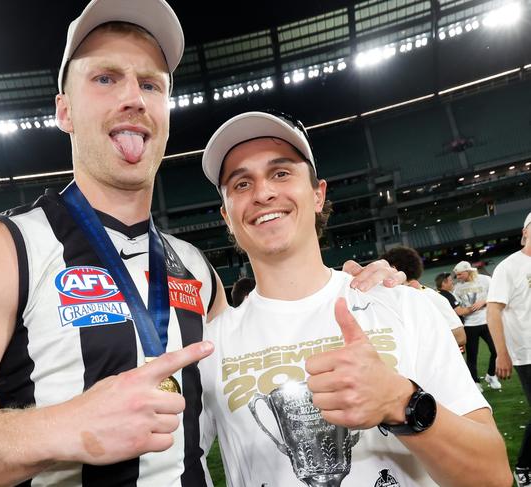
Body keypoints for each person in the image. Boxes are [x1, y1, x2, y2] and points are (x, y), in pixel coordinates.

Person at [0, 2, 402, 485]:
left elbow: (267, 343)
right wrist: (64, 428)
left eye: (151, 85)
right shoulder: (6, 246)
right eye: (106, 78)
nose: (133, 97)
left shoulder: (196, 268)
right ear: (64, 111)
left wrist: (358, 287)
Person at [198, 111, 511, 487]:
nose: (263, 193)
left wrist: (400, 402)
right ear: (226, 216)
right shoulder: (210, 347)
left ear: (318, 194)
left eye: (281, 173)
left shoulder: (402, 307)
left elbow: (492, 476)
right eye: (241, 184)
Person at [487, 212, 531, 487]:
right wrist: (501, 353)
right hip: (527, 352)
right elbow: (493, 311)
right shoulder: (509, 267)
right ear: (527, 231)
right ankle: (525, 466)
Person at [382, 246, 466, 347]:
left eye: (384, 270)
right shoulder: (394, 300)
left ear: (393, 269)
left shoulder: (431, 297)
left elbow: (460, 337)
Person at [453, 260, 502, 391]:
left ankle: (491, 375)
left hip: (486, 321)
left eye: (459, 274)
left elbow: (496, 293)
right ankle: (475, 382)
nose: (457, 277)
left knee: (496, 350)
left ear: (468, 271)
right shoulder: (457, 288)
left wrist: (483, 301)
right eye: (456, 275)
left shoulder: (485, 279)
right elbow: (458, 308)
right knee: (472, 356)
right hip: (469, 325)